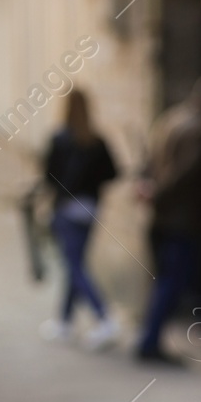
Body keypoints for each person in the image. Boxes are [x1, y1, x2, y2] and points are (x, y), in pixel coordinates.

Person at [135, 77, 201, 364]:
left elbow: (150, 161)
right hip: (181, 220)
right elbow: (183, 176)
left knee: (176, 280)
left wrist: (146, 185)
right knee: (172, 282)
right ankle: (149, 342)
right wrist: (156, 193)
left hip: (165, 218)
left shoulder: (171, 119)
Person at [39, 89, 121, 349]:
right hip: (89, 209)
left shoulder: (60, 139)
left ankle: (104, 317)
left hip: (67, 210)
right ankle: (64, 321)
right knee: (74, 263)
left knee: (74, 266)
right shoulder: (96, 140)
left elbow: (48, 176)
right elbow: (113, 172)